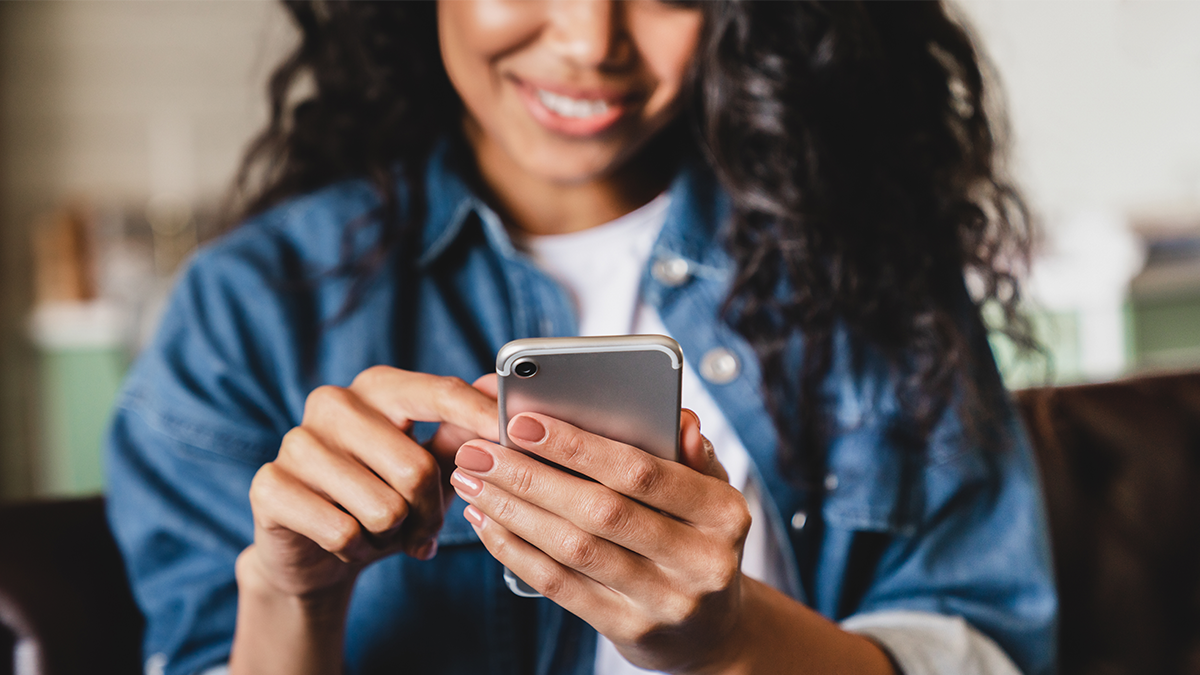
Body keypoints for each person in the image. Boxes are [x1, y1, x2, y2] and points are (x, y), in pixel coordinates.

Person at [105, 2, 1057, 675]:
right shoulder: (250, 307)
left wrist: (730, 645)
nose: (590, 41)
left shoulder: (865, 258)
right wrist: (291, 596)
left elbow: (981, 644)